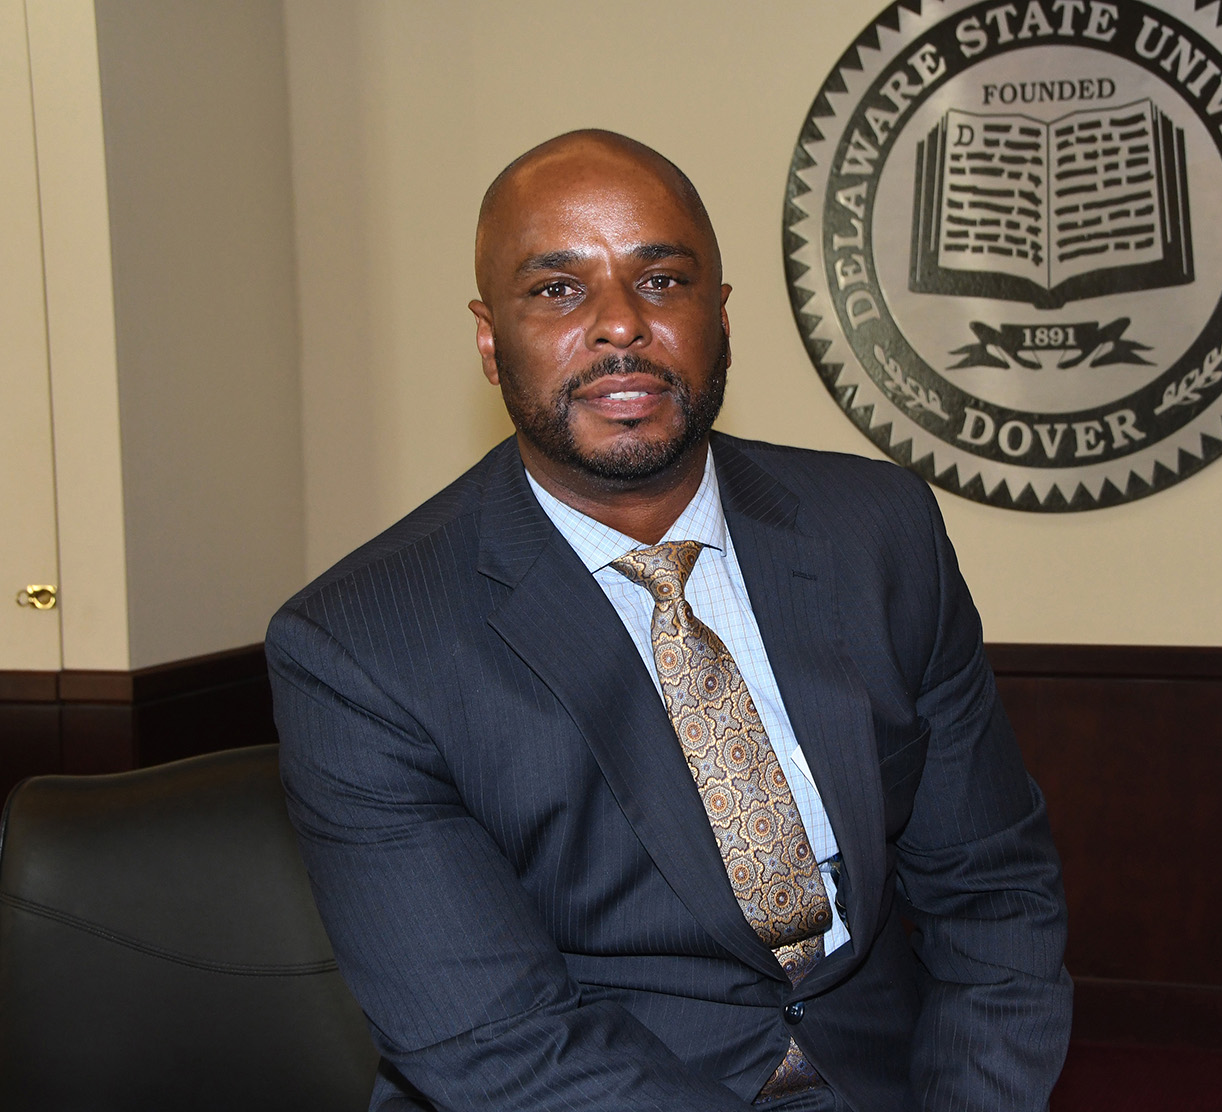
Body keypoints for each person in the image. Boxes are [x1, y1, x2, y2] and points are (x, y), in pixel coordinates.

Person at [267, 130, 1071, 1112]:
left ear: (720, 319)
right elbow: (493, 1035)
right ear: (489, 338)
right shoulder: (361, 642)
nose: (619, 326)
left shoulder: (877, 529)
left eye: (663, 280)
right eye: (556, 289)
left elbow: (993, 885)